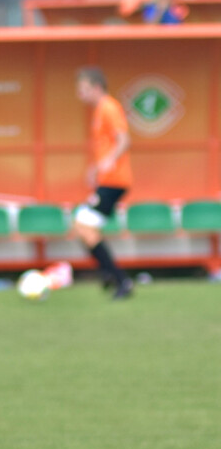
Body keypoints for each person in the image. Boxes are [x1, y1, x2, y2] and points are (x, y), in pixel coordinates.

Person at [73, 67, 134, 300]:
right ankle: (109, 274)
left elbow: (124, 140)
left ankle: (120, 280)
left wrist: (109, 161)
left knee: (84, 226)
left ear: (96, 87)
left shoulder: (109, 107)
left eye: (84, 90)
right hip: (107, 179)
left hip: (115, 180)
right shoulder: (99, 110)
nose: (81, 95)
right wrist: (96, 168)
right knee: (82, 227)